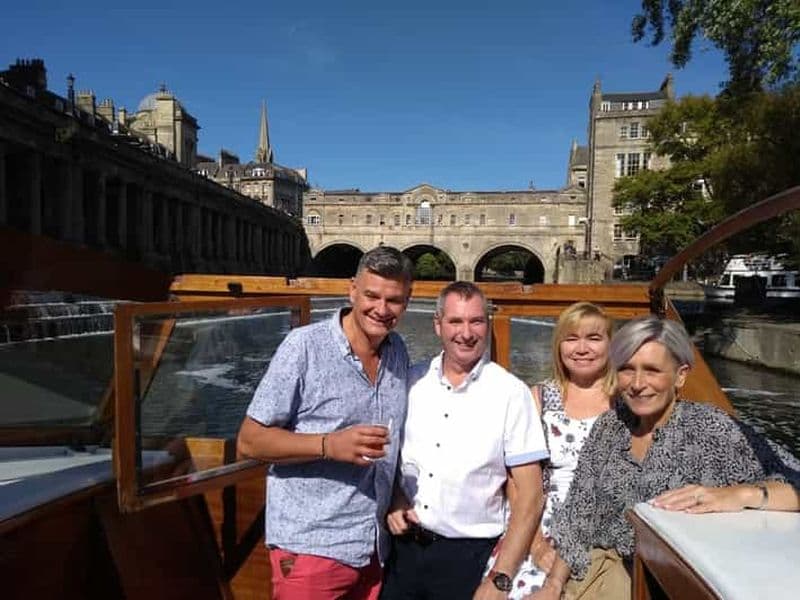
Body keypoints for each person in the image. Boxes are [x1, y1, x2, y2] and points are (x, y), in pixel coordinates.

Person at [532, 316, 800, 600]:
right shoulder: (609, 426)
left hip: (667, 583)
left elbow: (795, 480)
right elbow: (579, 514)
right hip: (597, 572)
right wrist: (552, 585)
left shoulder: (710, 428)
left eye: (652, 370)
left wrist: (741, 494)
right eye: (626, 369)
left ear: (680, 375)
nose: (637, 383)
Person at [237, 245, 414, 600]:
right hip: (312, 548)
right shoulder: (303, 347)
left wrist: (395, 493)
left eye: (394, 300)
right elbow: (250, 441)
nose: (381, 309)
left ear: (407, 301)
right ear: (352, 289)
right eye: (372, 295)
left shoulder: (398, 352)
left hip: (373, 547)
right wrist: (328, 445)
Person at [381, 281, 549, 600]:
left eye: (476, 321)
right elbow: (386, 454)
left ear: (487, 324)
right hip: (403, 551)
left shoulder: (511, 393)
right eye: (455, 321)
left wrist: (500, 578)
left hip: (468, 558)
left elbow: (530, 496)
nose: (466, 333)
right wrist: (394, 498)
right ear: (438, 325)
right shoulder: (411, 382)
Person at [485, 301, 616, 599]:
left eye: (593, 338)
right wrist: (537, 544)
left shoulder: (623, 402)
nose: (581, 348)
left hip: (599, 529)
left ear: (610, 345)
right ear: (559, 346)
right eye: (571, 339)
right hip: (539, 524)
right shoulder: (540, 398)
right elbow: (516, 482)